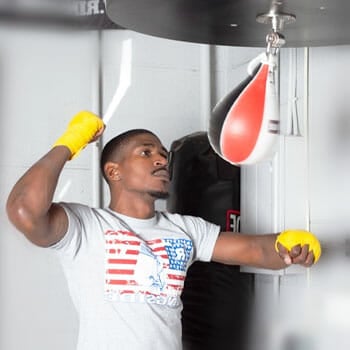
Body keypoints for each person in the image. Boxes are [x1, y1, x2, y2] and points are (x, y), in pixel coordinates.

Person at [6, 111, 320, 350]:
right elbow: (24, 210)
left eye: (163, 154)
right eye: (146, 152)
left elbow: (255, 251)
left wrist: (290, 246)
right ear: (114, 171)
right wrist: (71, 141)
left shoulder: (184, 228)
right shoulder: (85, 227)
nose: (160, 159)